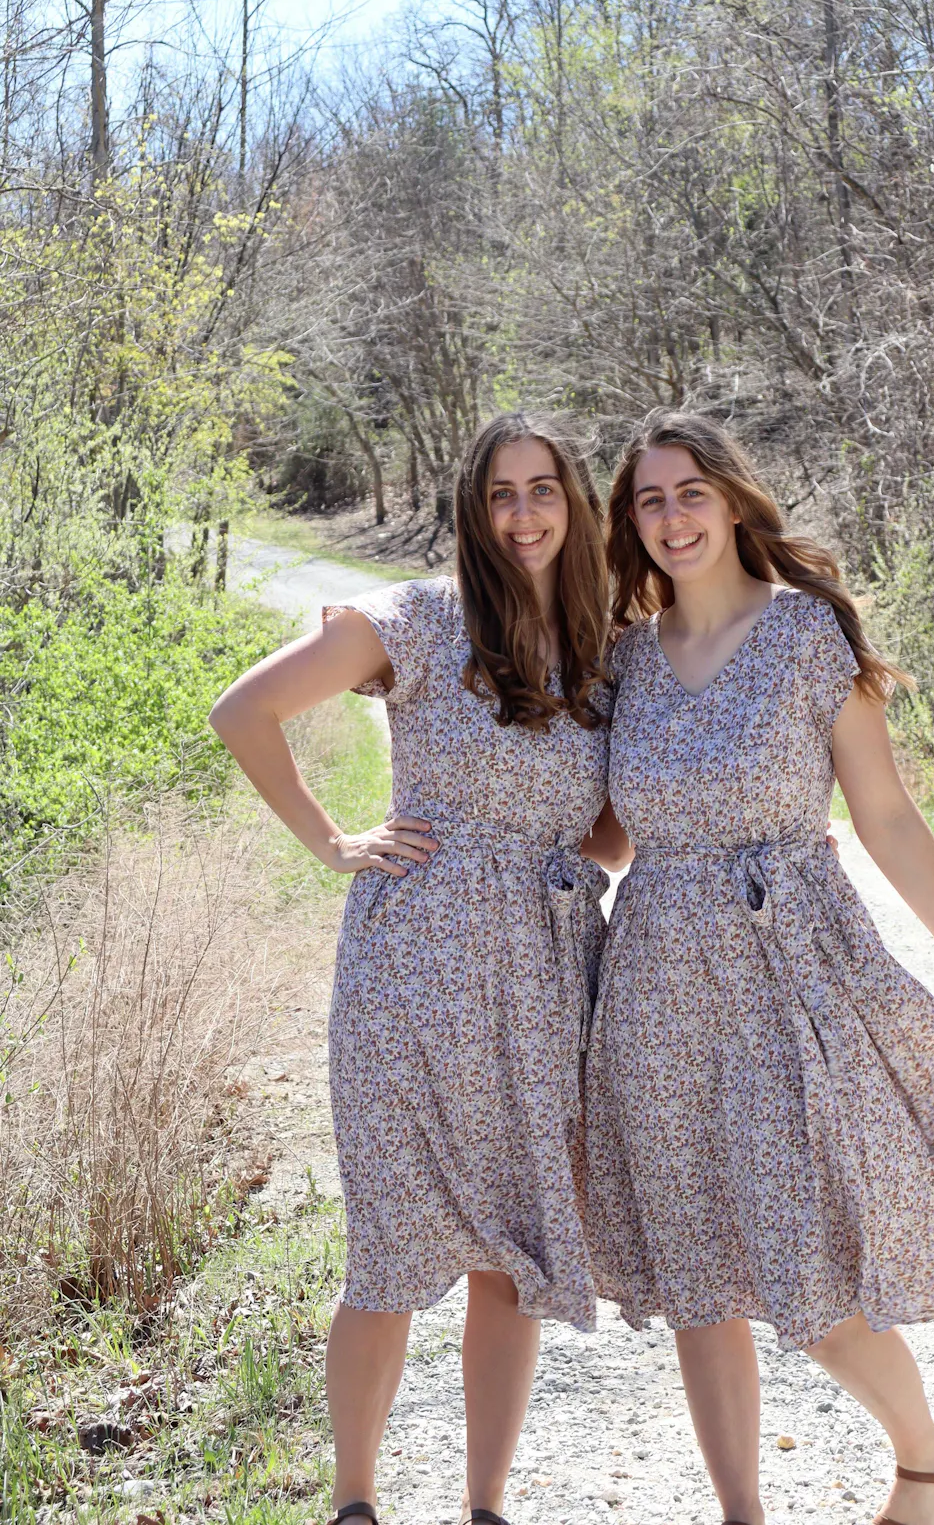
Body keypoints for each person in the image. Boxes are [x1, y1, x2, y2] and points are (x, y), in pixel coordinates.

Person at [583, 410, 934, 1525]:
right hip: (653, 985)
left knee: (804, 1266)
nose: (672, 517)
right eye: (649, 499)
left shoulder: (805, 632)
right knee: (694, 1272)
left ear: (732, 500)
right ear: (629, 523)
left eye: (690, 492)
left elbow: (883, 812)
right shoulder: (625, 658)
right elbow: (603, 832)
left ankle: (923, 1456)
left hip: (788, 970)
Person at [209, 413, 628, 1525]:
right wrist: (332, 840)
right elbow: (242, 710)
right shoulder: (412, 618)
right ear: (471, 507)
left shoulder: (605, 644)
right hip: (412, 963)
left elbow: (612, 835)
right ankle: (355, 1502)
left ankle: (483, 1505)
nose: (525, 513)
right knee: (390, 1244)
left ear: (575, 504)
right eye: (501, 492)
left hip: (547, 971)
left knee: (516, 1250)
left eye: (545, 489)